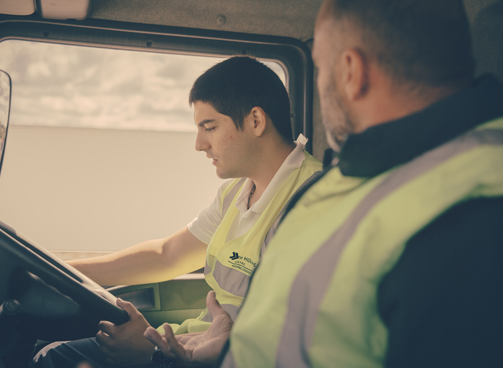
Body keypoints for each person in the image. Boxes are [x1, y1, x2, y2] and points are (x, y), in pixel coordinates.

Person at [144, 0, 503, 367]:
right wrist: (224, 347)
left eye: (319, 66)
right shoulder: (363, 176)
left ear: (350, 71)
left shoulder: (469, 217)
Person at [31, 56, 322, 367]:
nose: (199, 144)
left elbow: (293, 339)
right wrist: (57, 272)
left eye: (209, 127)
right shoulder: (237, 191)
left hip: (214, 357)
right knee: (53, 355)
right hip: (189, 344)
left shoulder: (313, 203)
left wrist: (156, 354)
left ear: (255, 121)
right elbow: (167, 255)